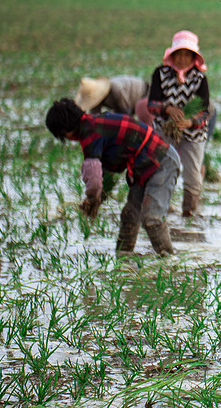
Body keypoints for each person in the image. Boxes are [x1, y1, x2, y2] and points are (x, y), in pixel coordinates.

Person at [45, 98, 180, 256]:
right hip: (144, 167)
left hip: (162, 161)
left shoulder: (90, 133)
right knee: (130, 214)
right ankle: (124, 258)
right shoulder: (94, 125)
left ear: (65, 131)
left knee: (152, 218)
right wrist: (101, 197)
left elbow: (94, 177)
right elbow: (105, 174)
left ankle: (169, 262)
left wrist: (93, 198)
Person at [146, 30, 211, 217]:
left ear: (193, 57)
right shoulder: (160, 73)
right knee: (163, 171)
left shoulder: (200, 79)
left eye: (187, 54)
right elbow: (152, 105)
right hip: (165, 130)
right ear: (172, 55)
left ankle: (189, 213)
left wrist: (190, 121)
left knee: (193, 175)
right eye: (179, 54)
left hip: (193, 133)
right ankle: (159, 210)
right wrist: (168, 109)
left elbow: (205, 111)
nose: (182, 58)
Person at [75, 76, 149, 116]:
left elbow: (125, 113)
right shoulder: (96, 99)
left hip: (144, 95)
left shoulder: (115, 89)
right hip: (129, 103)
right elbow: (94, 116)